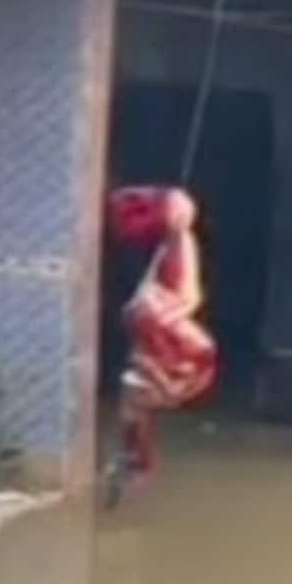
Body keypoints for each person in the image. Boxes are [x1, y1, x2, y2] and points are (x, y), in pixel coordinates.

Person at [105, 186, 217, 501]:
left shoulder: (181, 247)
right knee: (133, 404)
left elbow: (190, 299)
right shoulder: (165, 248)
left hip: (177, 357)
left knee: (135, 402)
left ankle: (137, 466)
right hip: (161, 352)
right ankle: (134, 464)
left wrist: (159, 314)